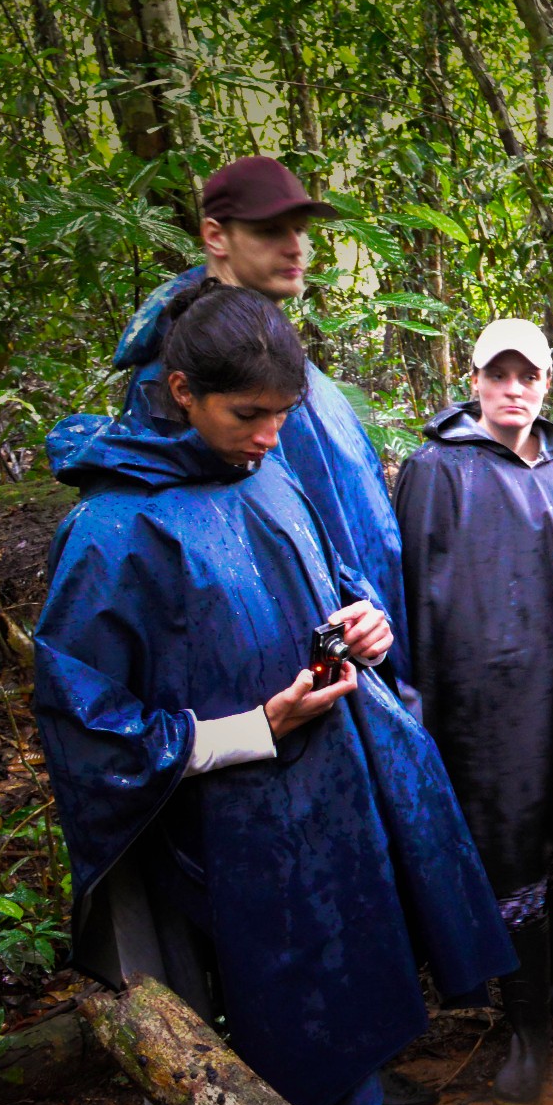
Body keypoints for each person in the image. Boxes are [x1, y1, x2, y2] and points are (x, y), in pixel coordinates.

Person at [32, 283, 513, 1105]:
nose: (269, 434)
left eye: (284, 415)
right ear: (181, 391)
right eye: (248, 414)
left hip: (334, 819)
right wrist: (251, 728)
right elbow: (88, 730)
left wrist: (361, 620)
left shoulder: (269, 470)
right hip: (230, 852)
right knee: (295, 1063)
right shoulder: (110, 533)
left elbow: (330, 578)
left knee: (352, 1046)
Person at [392, 320, 553, 1105]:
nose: (513, 391)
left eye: (526, 376)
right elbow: (420, 597)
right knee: (508, 855)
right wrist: (425, 704)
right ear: (471, 380)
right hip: (488, 711)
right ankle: (522, 1023)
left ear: (548, 379)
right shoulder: (438, 469)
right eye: (497, 376)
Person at [111, 157, 412, 701]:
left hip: (358, 647)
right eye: (272, 231)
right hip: (286, 682)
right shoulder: (183, 379)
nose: (296, 247)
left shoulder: (284, 360)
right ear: (215, 237)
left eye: (299, 230)